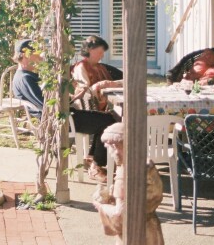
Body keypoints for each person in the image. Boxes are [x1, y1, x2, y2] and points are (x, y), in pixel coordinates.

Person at [11, 38, 117, 182]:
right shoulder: (25, 79)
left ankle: (93, 160)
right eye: (37, 52)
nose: (41, 56)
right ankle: (96, 166)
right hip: (59, 119)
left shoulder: (28, 75)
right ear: (26, 55)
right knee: (108, 121)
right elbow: (47, 106)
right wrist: (71, 97)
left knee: (106, 118)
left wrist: (72, 94)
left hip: (61, 115)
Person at [92, 123, 165, 245]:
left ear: (116, 148)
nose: (110, 154)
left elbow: (121, 215)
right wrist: (112, 194)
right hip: (152, 230)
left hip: (134, 235)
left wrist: (101, 206)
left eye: (109, 149)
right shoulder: (147, 165)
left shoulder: (124, 174)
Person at [71, 35, 123, 111]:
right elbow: (84, 91)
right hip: (91, 111)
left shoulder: (100, 67)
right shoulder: (81, 67)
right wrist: (101, 85)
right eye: (100, 52)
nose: (102, 56)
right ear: (90, 50)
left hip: (108, 106)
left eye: (103, 53)